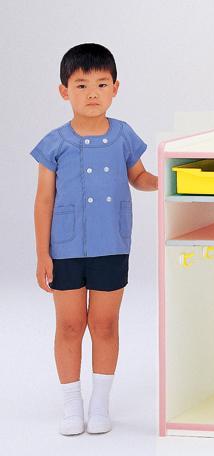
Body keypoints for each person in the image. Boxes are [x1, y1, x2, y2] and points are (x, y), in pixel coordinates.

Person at [31, 43, 157, 435]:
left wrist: (167, 179)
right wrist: (42, 254)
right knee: (69, 326)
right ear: (64, 91)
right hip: (65, 249)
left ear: (115, 89)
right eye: (81, 85)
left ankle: (100, 404)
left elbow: (139, 177)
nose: (92, 94)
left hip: (112, 245)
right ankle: (72, 405)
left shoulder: (123, 135)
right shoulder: (54, 143)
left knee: (105, 325)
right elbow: (44, 199)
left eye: (102, 84)